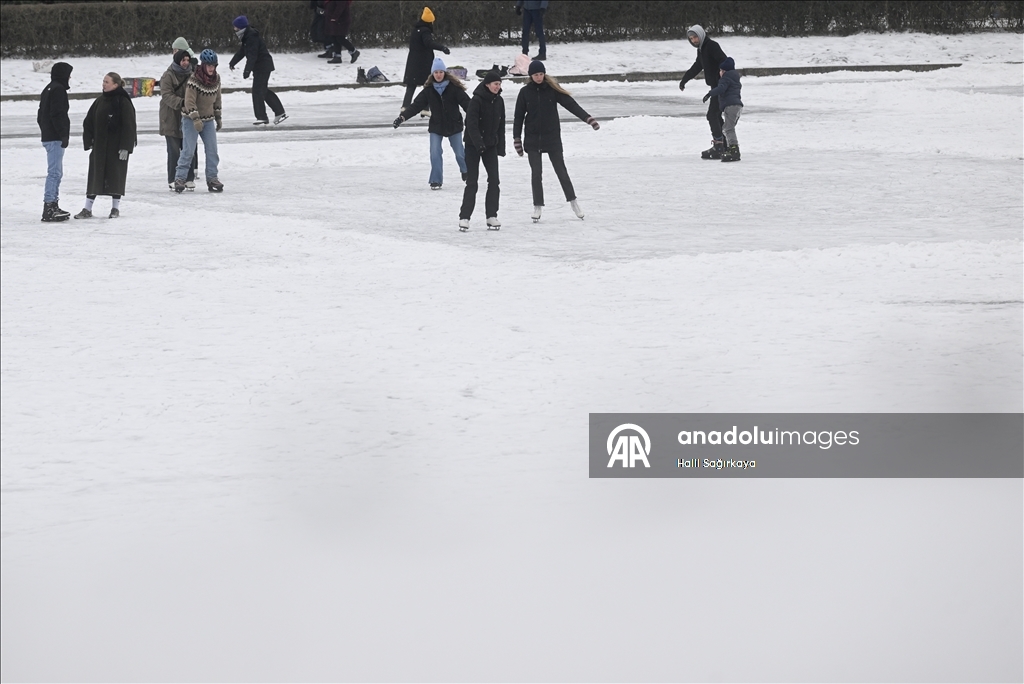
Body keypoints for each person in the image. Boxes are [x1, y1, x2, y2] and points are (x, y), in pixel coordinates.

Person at [512, 60, 599, 222]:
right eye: (536, 75)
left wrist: (588, 118)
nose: (539, 77)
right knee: (536, 174)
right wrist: (516, 138)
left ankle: (573, 202)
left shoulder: (552, 90)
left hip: (552, 138)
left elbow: (571, 105)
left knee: (561, 171)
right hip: (532, 138)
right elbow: (518, 117)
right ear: (530, 76)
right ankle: (537, 206)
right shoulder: (525, 92)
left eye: (541, 74)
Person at [393, 57, 469, 190]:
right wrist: (402, 117)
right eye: (436, 72)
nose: (438, 75)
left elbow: (468, 104)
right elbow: (416, 106)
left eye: (441, 72)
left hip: (454, 125)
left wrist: (478, 116)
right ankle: (436, 180)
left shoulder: (454, 88)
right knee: (435, 152)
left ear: (444, 73)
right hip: (436, 126)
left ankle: (466, 171)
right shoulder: (428, 90)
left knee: (459, 153)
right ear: (432, 74)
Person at [75, 72, 136, 219]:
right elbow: (88, 122)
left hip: (117, 148)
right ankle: (87, 209)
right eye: (103, 81)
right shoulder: (99, 101)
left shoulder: (124, 102)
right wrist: (89, 140)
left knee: (116, 176)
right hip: (100, 147)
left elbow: (129, 126)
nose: (103, 84)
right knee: (95, 177)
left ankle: (115, 208)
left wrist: (126, 147)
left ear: (115, 85)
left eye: (107, 82)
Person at [458, 70, 505, 231]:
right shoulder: (476, 100)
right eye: (495, 84)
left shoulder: (499, 101)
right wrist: (479, 143)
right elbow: (471, 124)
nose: (497, 87)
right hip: (473, 146)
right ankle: (464, 217)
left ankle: (491, 216)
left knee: (494, 180)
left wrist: (500, 147)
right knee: (472, 182)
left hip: (490, 146)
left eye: (499, 84)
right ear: (487, 85)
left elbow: (501, 125)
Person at [174, 49, 223, 193]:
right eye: (208, 65)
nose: (211, 68)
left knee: (212, 150)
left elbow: (217, 98)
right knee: (188, 150)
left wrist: (218, 117)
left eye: (213, 66)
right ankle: (180, 178)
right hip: (190, 119)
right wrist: (195, 118)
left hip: (208, 119)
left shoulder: (216, 79)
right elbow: (189, 101)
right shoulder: (194, 80)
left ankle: (212, 178)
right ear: (203, 65)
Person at [678, 24, 728, 159]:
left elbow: (724, 61)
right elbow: (697, 66)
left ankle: (719, 146)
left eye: (695, 37)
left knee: (712, 115)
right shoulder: (701, 50)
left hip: (720, 87)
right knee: (716, 116)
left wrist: (723, 77)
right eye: (691, 39)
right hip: (715, 87)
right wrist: (684, 80)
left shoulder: (712, 46)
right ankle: (725, 144)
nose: (694, 40)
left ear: (701, 35)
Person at [229, 15, 287, 126]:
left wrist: (247, 71)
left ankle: (262, 117)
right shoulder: (247, 36)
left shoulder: (251, 37)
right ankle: (279, 112)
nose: (234, 29)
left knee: (257, 91)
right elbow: (242, 51)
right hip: (262, 66)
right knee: (262, 90)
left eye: (235, 27)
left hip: (263, 66)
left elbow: (252, 56)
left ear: (241, 27)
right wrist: (233, 62)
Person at [38, 61, 73, 222]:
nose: (70, 78)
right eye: (68, 74)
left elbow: (40, 115)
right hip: (54, 137)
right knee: (55, 173)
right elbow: (58, 114)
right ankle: (50, 206)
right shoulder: (58, 90)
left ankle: (53, 204)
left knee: (56, 172)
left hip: (49, 135)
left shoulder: (48, 88)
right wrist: (63, 134)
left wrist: (45, 131)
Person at [160, 50, 198, 190]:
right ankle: (173, 178)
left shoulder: (193, 75)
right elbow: (166, 95)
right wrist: (182, 102)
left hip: (187, 114)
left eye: (187, 60)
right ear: (177, 61)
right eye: (183, 60)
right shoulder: (168, 75)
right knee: (174, 150)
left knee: (189, 147)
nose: (186, 63)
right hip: (170, 116)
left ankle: (189, 178)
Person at [401, 6, 450, 111]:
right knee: (428, 84)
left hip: (413, 61)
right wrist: (442, 48)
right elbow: (428, 43)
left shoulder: (416, 30)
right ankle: (426, 108)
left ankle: (405, 106)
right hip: (423, 63)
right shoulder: (425, 31)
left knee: (411, 85)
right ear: (430, 22)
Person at [703, 56, 743, 162]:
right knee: (727, 128)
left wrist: (710, 93)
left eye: (721, 70)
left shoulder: (725, 78)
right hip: (737, 106)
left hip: (731, 106)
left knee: (728, 128)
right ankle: (731, 148)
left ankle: (734, 150)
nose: (719, 72)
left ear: (724, 71)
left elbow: (721, 88)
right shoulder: (735, 77)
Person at [324, 0, 360, 64]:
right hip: (335, 20)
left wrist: (335, 17)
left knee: (340, 38)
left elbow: (340, 6)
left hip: (341, 21)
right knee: (334, 37)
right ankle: (337, 57)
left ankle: (353, 51)